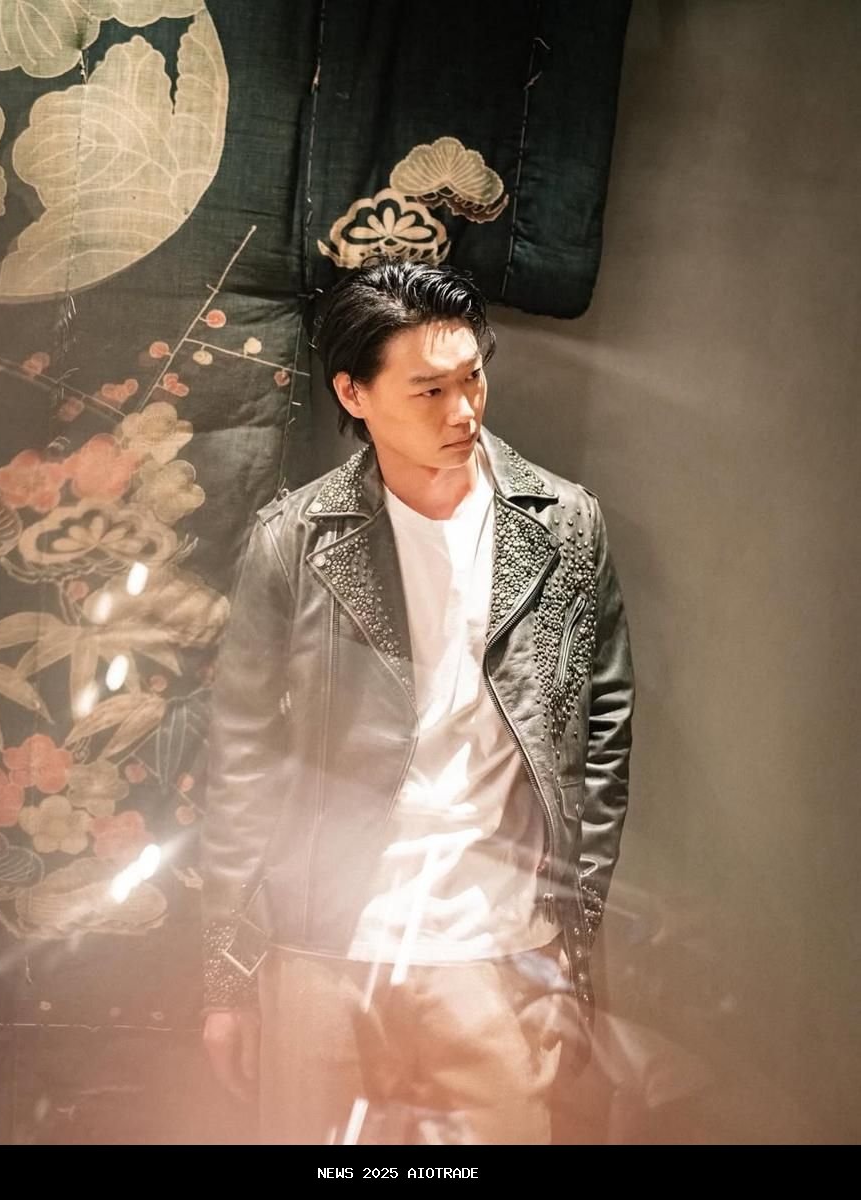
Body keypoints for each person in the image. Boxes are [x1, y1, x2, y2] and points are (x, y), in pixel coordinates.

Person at [200, 258, 634, 1145]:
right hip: (325, 948)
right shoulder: (294, 540)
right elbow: (241, 761)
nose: (463, 410)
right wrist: (225, 980)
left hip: (502, 952)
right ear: (353, 394)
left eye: (473, 377)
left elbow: (602, 739)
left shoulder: (562, 524)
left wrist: (571, 950)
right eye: (429, 390)